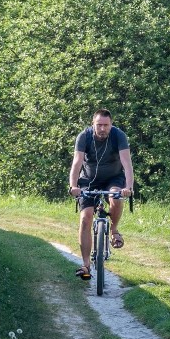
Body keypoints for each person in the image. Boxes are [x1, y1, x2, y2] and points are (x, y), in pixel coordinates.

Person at [68, 109, 134, 280]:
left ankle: (113, 229)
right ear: (93, 124)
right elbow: (77, 163)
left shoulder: (119, 136)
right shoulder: (84, 137)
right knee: (85, 218)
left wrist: (128, 186)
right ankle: (85, 265)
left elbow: (127, 163)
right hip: (88, 180)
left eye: (106, 125)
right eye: (99, 125)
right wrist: (73, 185)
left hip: (114, 178)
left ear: (111, 125)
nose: (103, 128)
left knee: (116, 197)